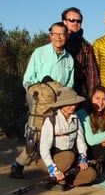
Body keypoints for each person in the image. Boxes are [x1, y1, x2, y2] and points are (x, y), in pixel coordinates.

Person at [9, 22, 74, 179]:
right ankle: (18, 164)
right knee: (36, 135)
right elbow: (27, 80)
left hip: (59, 101)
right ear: (50, 35)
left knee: (57, 134)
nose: (58, 37)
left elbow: (70, 83)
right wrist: (38, 92)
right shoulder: (39, 53)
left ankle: (52, 167)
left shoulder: (69, 59)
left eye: (62, 34)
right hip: (39, 101)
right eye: (55, 34)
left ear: (67, 36)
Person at [37, 87, 97, 191]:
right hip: (50, 159)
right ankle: (55, 179)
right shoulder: (51, 120)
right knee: (68, 156)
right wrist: (53, 169)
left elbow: (80, 140)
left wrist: (82, 158)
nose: (73, 106)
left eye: (75, 103)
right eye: (69, 104)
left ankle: (63, 180)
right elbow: (44, 149)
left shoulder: (76, 118)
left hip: (70, 160)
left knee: (91, 175)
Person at [61, 7, 100, 98]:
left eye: (79, 21)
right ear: (64, 22)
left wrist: (92, 96)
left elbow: (92, 73)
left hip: (79, 91)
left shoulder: (86, 45)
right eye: (72, 20)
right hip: (59, 89)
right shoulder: (53, 42)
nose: (76, 23)